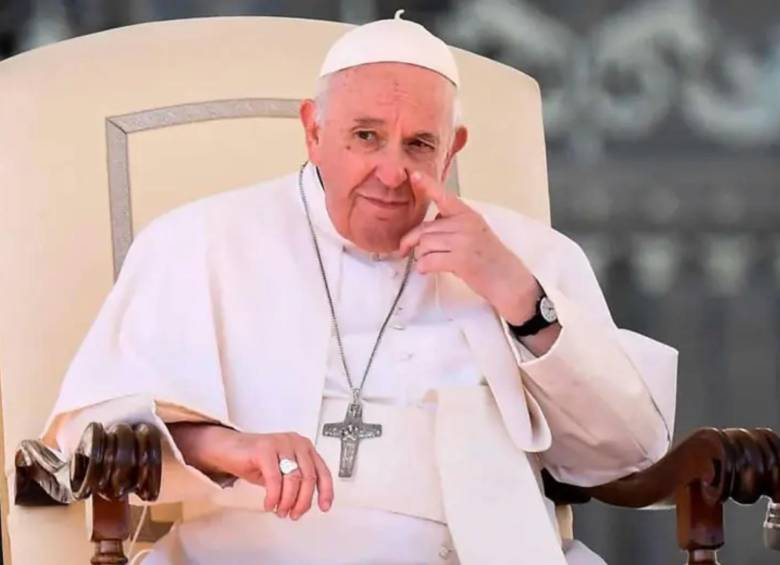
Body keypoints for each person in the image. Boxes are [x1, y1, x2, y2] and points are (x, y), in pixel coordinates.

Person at [44, 12, 677, 565]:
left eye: (419, 144)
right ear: (313, 131)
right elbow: (88, 437)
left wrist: (517, 296)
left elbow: (628, 451)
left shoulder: (528, 255)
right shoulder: (199, 241)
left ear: (451, 150)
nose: (392, 173)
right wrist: (226, 447)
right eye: (365, 136)